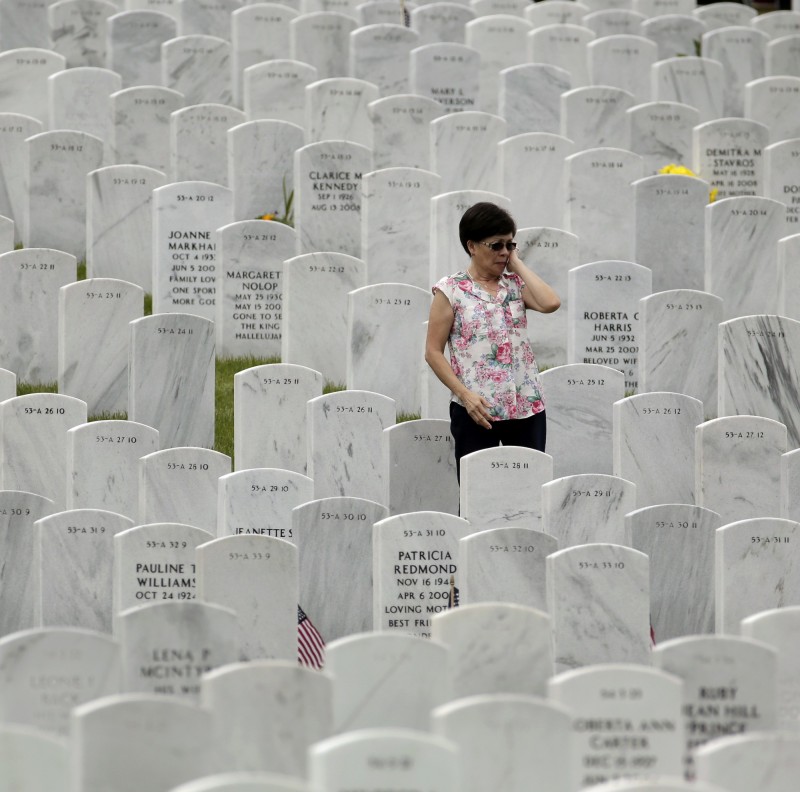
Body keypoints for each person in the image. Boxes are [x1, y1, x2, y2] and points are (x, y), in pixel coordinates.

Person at [425, 202, 560, 480]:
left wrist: (518, 264)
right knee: (477, 495)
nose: (504, 253)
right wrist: (465, 395)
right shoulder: (450, 290)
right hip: (477, 411)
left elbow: (550, 303)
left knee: (529, 491)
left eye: (510, 245)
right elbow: (433, 352)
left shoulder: (515, 285)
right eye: (496, 245)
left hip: (526, 408)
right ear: (472, 246)